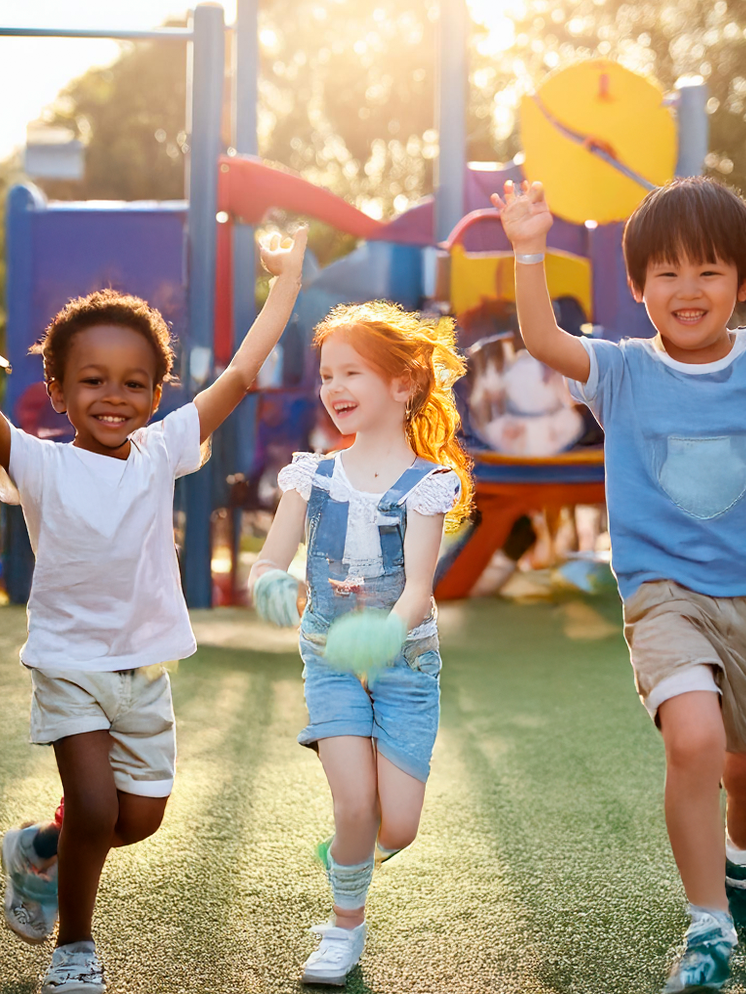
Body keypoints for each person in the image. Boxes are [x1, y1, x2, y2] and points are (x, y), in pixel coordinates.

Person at [492, 174, 746, 993]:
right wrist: (529, 249)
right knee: (694, 741)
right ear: (638, 286)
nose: (687, 288)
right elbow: (543, 339)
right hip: (663, 592)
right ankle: (708, 927)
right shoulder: (621, 370)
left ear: (743, 283)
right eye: (665, 271)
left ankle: (740, 860)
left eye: (709, 270)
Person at [0, 229, 306, 994]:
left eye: (133, 383)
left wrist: (286, 281)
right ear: (57, 392)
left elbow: (243, 373)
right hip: (69, 667)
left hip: (143, 672)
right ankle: (73, 948)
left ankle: (38, 848)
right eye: (92, 381)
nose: (114, 397)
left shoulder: (162, 451)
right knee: (91, 804)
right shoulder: (40, 465)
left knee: (135, 820)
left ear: (156, 394)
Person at [249, 301, 474, 986]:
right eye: (326, 375)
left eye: (352, 373)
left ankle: (348, 854)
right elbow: (270, 559)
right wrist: (269, 582)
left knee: (396, 828)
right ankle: (344, 926)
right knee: (353, 805)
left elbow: (418, 590)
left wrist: (384, 635)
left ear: (403, 384)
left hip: (406, 664)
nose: (334, 388)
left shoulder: (427, 485)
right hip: (330, 662)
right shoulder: (309, 476)